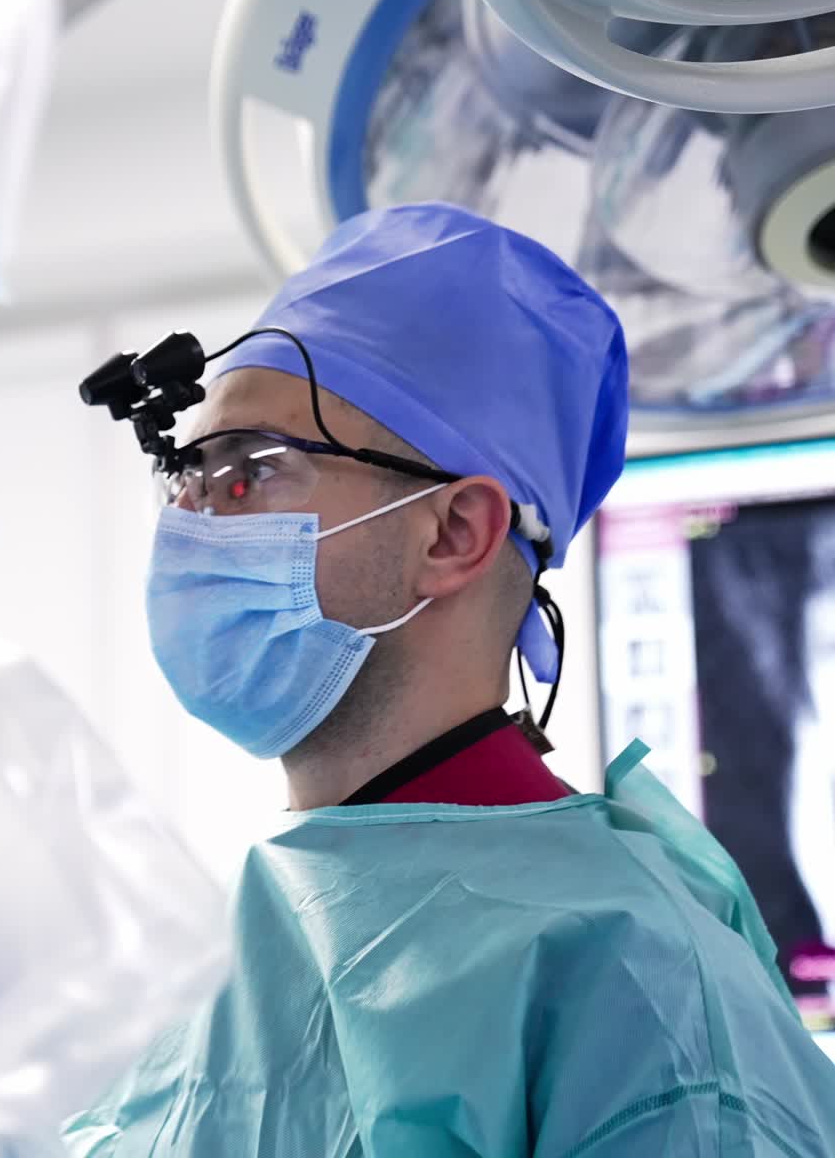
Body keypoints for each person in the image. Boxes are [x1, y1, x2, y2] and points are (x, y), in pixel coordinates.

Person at [61, 204, 835, 1156]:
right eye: (185, 478)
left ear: (453, 533)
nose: (190, 525)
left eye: (246, 474)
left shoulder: (642, 987)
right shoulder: (221, 959)